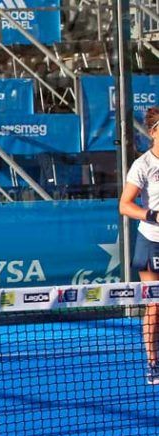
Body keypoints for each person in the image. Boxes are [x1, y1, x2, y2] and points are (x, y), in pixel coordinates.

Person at [120, 106, 159, 384]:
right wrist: (153, 215)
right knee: (155, 304)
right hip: (151, 242)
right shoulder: (142, 165)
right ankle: (153, 362)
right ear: (154, 132)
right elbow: (124, 205)